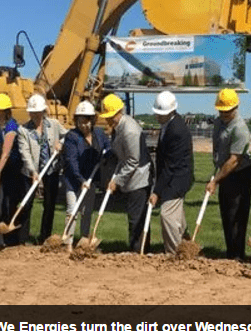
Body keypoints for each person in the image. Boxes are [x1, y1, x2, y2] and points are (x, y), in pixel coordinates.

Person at [101, 94, 153, 253]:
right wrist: (114, 176)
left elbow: (132, 161)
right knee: (132, 216)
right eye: (107, 117)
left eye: (111, 117)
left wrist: (117, 181)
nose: (109, 120)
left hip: (139, 179)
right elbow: (121, 157)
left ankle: (139, 251)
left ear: (119, 112)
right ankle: (135, 249)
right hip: (129, 177)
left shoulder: (130, 130)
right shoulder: (118, 128)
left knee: (137, 218)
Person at [207, 89, 251, 260]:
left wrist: (216, 181)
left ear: (236, 108)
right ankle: (230, 252)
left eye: (227, 111)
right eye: (221, 110)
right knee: (226, 214)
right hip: (225, 172)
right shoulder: (219, 122)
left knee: (237, 215)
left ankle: (237, 256)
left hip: (239, 174)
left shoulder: (240, 129)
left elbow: (234, 160)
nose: (224, 114)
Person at [17, 94, 67, 244]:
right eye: (32, 112)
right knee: (27, 204)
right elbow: (24, 153)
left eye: (38, 112)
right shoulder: (23, 130)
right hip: (30, 172)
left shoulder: (54, 124)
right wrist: (33, 172)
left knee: (49, 204)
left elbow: (68, 136)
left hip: (51, 170)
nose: (35, 115)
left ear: (44, 111)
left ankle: (45, 237)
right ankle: (23, 238)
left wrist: (61, 143)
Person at [148, 91, 193, 254]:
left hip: (178, 177)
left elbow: (170, 166)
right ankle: (188, 247)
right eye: (157, 113)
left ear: (172, 111)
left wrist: (157, 191)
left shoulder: (177, 130)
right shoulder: (168, 125)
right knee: (177, 217)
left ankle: (175, 254)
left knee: (167, 215)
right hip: (171, 174)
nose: (157, 117)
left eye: (161, 114)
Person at [63, 101, 111, 250]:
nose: (84, 125)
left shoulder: (98, 133)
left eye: (86, 122)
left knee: (87, 212)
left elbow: (107, 146)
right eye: (80, 122)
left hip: (91, 179)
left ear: (92, 120)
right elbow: (72, 160)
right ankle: (68, 243)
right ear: (76, 121)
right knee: (72, 209)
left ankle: (84, 241)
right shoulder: (72, 137)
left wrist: (106, 154)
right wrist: (80, 179)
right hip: (73, 179)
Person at [0, 93, 23, 246]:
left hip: (14, 168)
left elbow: (6, 153)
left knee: (10, 202)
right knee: (0, 201)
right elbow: (0, 151)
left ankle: (12, 238)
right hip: (4, 167)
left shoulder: (11, 126)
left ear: (6, 111)